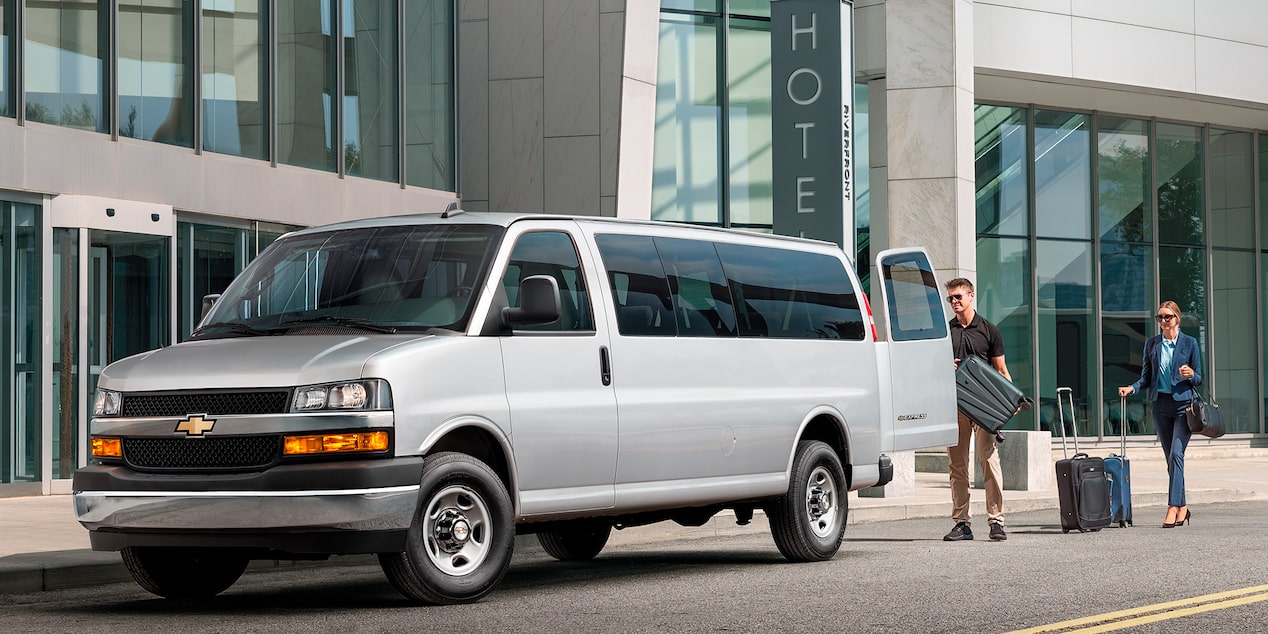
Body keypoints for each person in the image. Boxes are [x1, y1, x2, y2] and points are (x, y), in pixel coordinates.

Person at [1118, 301, 1202, 528]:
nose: (1163, 321)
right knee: (1171, 459)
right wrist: (1132, 388)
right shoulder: (1152, 344)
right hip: (1160, 406)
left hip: (1184, 406)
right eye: (1160, 318)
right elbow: (1146, 377)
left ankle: (1173, 506)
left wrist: (1191, 373)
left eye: (1167, 317)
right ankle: (1183, 508)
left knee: (1177, 454)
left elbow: (1199, 378)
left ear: (1177, 318)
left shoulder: (1190, 343)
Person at [943, 278, 1011, 542]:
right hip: (956, 406)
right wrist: (943, 367)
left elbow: (1002, 371)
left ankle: (996, 521)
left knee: (989, 461)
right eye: (951, 298)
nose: (954, 302)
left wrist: (1008, 403)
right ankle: (962, 523)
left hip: (984, 408)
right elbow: (930, 369)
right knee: (957, 466)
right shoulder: (944, 331)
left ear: (971, 295)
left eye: (958, 296)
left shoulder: (989, 331)